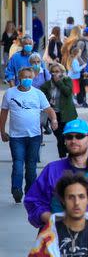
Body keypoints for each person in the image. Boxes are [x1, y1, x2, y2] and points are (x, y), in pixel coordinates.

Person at [25, 119, 88, 243]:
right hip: (54, 244)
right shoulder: (51, 171)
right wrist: (55, 220)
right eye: (69, 137)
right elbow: (33, 202)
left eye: (79, 136)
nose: (74, 140)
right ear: (65, 141)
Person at [0, 67, 57, 202]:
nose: (26, 80)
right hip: (16, 137)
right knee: (18, 164)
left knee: (31, 166)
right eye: (24, 77)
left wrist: (53, 119)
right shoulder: (10, 93)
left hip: (34, 136)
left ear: (33, 78)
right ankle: (16, 189)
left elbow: (48, 109)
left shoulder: (38, 94)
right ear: (19, 78)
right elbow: (3, 113)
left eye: (29, 77)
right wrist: (2, 131)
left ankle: (30, 191)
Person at [41, 63, 77, 158]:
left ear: (62, 72)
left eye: (57, 71)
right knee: (60, 138)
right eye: (52, 72)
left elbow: (68, 92)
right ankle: (63, 158)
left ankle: (70, 156)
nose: (54, 74)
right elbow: (42, 95)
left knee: (68, 137)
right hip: (54, 116)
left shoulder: (67, 80)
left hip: (68, 115)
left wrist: (59, 82)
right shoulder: (48, 84)